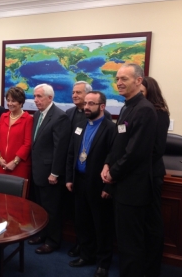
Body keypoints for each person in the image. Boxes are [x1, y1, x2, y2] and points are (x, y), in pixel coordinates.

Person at [101, 63, 157, 277]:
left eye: (124, 79)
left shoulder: (144, 110)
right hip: (121, 186)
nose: (119, 83)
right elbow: (118, 143)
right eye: (117, 79)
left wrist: (113, 173)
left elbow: (136, 152)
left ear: (138, 81)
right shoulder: (126, 106)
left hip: (133, 189)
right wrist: (107, 163)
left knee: (131, 244)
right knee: (123, 242)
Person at [66, 91, 115, 277]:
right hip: (79, 181)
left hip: (98, 184)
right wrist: (69, 178)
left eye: (91, 104)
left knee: (101, 225)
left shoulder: (111, 128)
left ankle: (103, 263)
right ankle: (86, 255)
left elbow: (114, 159)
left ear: (102, 106)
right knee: (82, 222)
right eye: (85, 103)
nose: (86, 107)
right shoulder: (79, 126)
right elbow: (71, 153)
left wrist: (107, 187)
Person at [28, 83, 71, 254]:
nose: (35, 100)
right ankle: (42, 234)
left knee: (52, 209)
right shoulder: (38, 114)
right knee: (40, 207)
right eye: (35, 96)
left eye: (39, 96)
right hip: (37, 170)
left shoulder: (60, 117)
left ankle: (53, 241)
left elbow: (60, 148)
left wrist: (55, 172)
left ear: (50, 98)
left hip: (50, 173)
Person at [141, 76, 170, 277]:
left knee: (152, 222)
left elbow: (156, 149)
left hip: (151, 175)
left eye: (141, 92)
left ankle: (152, 268)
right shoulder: (137, 111)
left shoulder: (159, 114)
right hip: (137, 177)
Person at [0, 87, 33, 188]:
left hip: (19, 166)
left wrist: (15, 162)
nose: (10, 103)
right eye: (8, 100)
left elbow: (27, 144)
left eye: (13, 101)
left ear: (21, 103)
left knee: (18, 198)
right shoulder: (3, 116)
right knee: (1, 195)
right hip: (2, 164)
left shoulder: (28, 119)